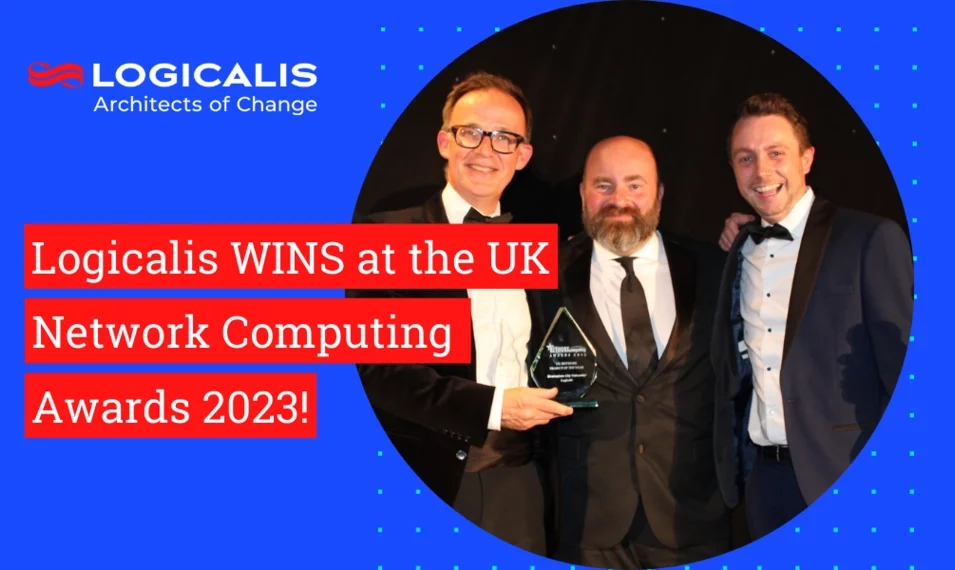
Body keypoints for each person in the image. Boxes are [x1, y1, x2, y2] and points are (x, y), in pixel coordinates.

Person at [345, 71, 573, 555]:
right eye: (471, 132)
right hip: (427, 480)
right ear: (445, 142)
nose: (486, 149)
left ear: (523, 156)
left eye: (505, 137)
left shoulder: (537, 252)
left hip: (523, 484)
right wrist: (492, 407)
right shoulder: (384, 238)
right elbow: (378, 370)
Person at [711, 93, 914, 541]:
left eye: (776, 153)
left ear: (807, 158)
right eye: (746, 158)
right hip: (763, 482)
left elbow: (907, 375)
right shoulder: (739, 248)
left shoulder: (870, 239)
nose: (761, 171)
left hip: (845, 473)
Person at [540, 135, 731, 569]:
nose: (619, 200)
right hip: (583, 524)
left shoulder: (714, 268)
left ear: (659, 194)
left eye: (635, 184)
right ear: (583, 194)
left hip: (693, 519)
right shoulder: (544, 273)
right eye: (603, 185)